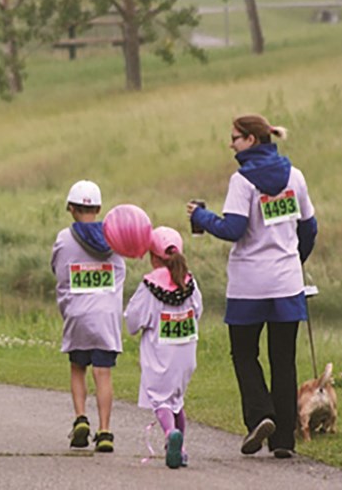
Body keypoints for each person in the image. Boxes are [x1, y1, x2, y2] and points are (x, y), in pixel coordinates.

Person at [187, 114, 317, 459]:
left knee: (244, 354)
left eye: (235, 138)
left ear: (252, 141)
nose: (230, 144)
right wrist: (292, 260)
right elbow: (309, 228)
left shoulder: (242, 181)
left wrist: (200, 216)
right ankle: (284, 441)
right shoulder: (295, 176)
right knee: (284, 360)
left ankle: (261, 416)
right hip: (287, 283)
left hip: (248, 284)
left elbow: (233, 229)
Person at [50, 180, 126, 453]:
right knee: (102, 373)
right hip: (106, 316)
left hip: (77, 314)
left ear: (71, 207)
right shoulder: (115, 238)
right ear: (98, 207)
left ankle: (81, 418)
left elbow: (58, 272)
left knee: (78, 368)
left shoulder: (64, 238)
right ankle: (105, 431)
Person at [124, 226, 203, 469]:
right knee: (177, 399)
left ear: (154, 257)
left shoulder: (150, 287)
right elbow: (198, 311)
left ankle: (170, 435)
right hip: (186, 353)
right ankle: (183, 449)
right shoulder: (189, 282)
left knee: (161, 400)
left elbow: (133, 320)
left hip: (160, 353)